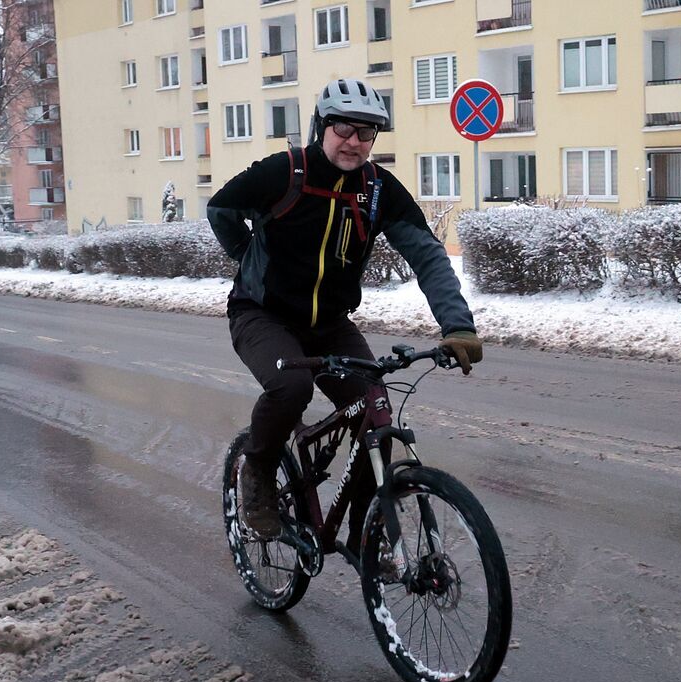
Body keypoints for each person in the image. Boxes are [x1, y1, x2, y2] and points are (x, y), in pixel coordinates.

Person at [207, 78, 483, 549]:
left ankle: (365, 535)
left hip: (331, 325)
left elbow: (428, 255)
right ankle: (257, 472)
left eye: (366, 133)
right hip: (263, 315)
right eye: (343, 128)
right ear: (321, 126)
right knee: (290, 387)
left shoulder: (378, 190)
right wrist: (246, 254)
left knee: (374, 407)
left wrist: (457, 324)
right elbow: (221, 208)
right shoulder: (284, 172)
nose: (353, 141)